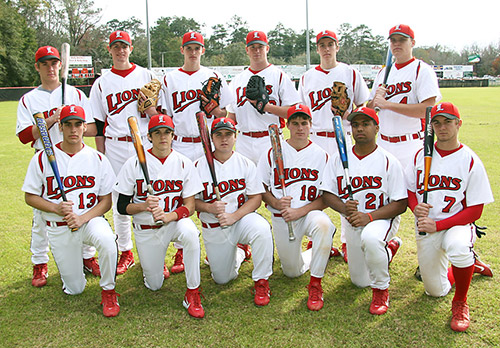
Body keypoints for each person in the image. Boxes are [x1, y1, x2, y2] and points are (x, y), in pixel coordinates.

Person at [22, 105, 120, 317]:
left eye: (78, 124)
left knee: (107, 241)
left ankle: (109, 291)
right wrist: (55, 208)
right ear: (61, 126)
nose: (73, 130)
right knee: (75, 289)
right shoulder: (42, 158)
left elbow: (106, 202)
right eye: (68, 125)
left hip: (90, 219)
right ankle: (75, 271)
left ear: (85, 127)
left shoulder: (98, 159)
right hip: (59, 225)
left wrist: (83, 217)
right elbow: (30, 197)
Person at [406, 102, 494, 332]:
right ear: (431, 126)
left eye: (448, 122)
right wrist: (415, 207)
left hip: (457, 224)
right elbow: (409, 190)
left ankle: (460, 302)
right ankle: (468, 267)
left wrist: (440, 224)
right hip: (426, 225)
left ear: (458, 124)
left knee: (458, 247)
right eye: (437, 122)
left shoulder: (470, 160)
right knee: (434, 291)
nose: (442, 127)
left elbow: (475, 210)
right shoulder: (420, 155)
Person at [16, 45, 99, 287]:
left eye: (54, 63)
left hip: (74, 158)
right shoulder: (29, 99)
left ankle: (87, 257)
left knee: (80, 206)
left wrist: (72, 122)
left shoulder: (74, 94)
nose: (50, 68)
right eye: (45, 64)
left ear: (60, 66)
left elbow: (92, 128)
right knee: (42, 214)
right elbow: (23, 136)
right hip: (45, 157)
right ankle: (39, 263)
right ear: (37, 67)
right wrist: (52, 119)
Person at [114, 114, 205, 319]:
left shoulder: (183, 163)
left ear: (173, 135)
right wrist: (143, 206)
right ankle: (153, 264)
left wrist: (170, 216)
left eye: (167, 132)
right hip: (146, 229)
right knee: (154, 285)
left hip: (173, 224)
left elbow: (190, 207)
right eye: (157, 133)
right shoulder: (133, 164)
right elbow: (121, 207)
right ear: (149, 136)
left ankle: (193, 291)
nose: (163, 136)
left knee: (190, 232)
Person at [158, 31, 233, 273]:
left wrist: (217, 111)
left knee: (212, 196)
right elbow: (164, 117)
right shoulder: (169, 79)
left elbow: (230, 114)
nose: (192, 52)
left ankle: (226, 244)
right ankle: (181, 251)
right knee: (181, 197)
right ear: (182, 50)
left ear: (203, 50)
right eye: (188, 48)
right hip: (178, 144)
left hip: (207, 145)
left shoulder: (214, 76)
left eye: (197, 48)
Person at [321, 107, 407, 315]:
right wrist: (343, 208)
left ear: (376, 128)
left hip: (381, 218)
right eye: (356, 125)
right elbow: (326, 194)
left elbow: (401, 203)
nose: (360, 129)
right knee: (359, 281)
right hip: (352, 220)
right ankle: (389, 249)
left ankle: (381, 290)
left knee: (370, 238)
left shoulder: (388, 161)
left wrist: (368, 217)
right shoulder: (338, 159)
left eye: (366, 124)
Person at [89, 30, 160, 276]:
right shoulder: (101, 82)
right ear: (110, 50)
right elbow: (98, 124)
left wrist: (150, 108)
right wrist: (101, 156)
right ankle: (125, 249)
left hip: (143, 140)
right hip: (115, 144)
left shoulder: (146, 75)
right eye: (116, 46)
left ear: (131, 48)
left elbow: (159, 117)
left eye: (125, 46)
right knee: (120, 196)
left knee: (151, 193)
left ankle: (156, 249)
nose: (120, 50)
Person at [298, 29, 371, 262]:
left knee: (348, 187)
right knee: (317, 187)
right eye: (322, 45)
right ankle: (318, 236)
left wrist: (349, 112)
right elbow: (303, 111)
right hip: (317, 137)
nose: (327, 49)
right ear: (317, 48)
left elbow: (363, 106)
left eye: (331, 44)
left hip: (343, 135)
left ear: (337, 47)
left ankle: (348, 241)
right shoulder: (307, 77)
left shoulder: (350, 72)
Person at [257, 104, 335, 311]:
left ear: (311, 125)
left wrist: (300, 211)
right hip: (282, 217)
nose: (300, 127)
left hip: (309, 214)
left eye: (304, 123)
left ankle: (316, 283)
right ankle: (316, 252)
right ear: (288, 125)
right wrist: (274, 202)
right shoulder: (272, 152)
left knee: (324, 225)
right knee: (291, 271)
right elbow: (260, 187)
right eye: (295, 123)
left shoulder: (321, 155)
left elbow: (327, 197)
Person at [194, 117, 274, 306]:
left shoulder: (245, 163)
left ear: (235, 136)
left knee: (262, 228)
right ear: (211, 138)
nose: (224, 139)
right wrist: (208, 207)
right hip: (214, 226)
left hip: (241, 221)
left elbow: (256, 198)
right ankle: (239, 253)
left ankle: (262, 281)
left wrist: (234, 216)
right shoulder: (198, 166)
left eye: (228, 134)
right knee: (222, 279)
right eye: (219, 135)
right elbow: (191, 202)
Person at [367, 24, 441, 171]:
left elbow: (427, 110)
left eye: (402, 40)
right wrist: (375, 100)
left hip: (411, 143)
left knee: (411, 191)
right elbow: (369, 109)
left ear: (412, 43)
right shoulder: (383, 73)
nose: (397, 44)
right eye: (393, 40)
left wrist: (388, 104)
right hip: (383, 142)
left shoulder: (422, 70)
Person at [227, 30, 301, 164]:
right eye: (253, 47)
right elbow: (231, 116)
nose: (257, 51)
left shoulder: (279, 76)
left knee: (272, 183)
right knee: (246, 183)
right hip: (243, 140)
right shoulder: (237, 80)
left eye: (260, 47)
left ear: (267, 48)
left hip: (270, 138)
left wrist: (266, 107)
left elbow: (293, 113)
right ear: (247, 50)